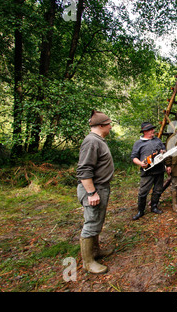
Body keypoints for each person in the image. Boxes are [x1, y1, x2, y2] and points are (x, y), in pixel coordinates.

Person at [76, 110, 114, 274]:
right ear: (100, 125)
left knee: (97, 220)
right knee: (91, 223)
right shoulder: (91, 142)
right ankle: (88, 262)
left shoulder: (98, 140)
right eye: (109, 124)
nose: (110, 127)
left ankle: (95, 251)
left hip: (100, 187)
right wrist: (91, 193)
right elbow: (84, 170)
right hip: (94, 189)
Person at [131, 122, 171, 220]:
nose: (153, 131)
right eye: (150, 130)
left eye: (153, 129)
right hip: (147, 171)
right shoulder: (138, 143)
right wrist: (141, 163)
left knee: (158, 190)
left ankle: (154, 206)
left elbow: (164, 152)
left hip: (159, 170)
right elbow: (133, 157)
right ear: (145, 132)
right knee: (143, 192)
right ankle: (140, 210)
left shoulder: (157, 140)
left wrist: (164, 156)